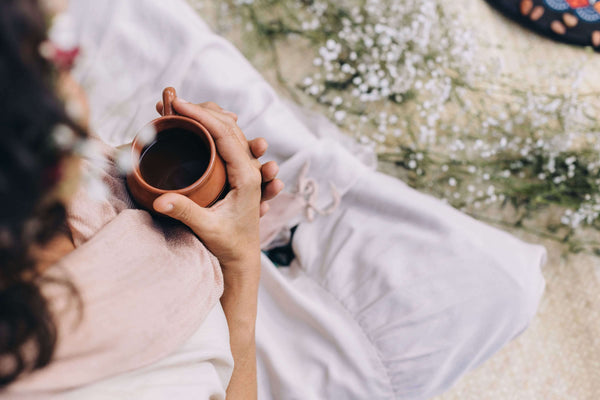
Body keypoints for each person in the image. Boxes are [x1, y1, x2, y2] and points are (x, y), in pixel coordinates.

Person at [1, 0, 547, 399]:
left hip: (172, 236)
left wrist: (123, 176)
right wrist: (239, 265)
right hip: (241, 347)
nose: (73, 87)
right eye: (58, 71)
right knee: (504, 286)